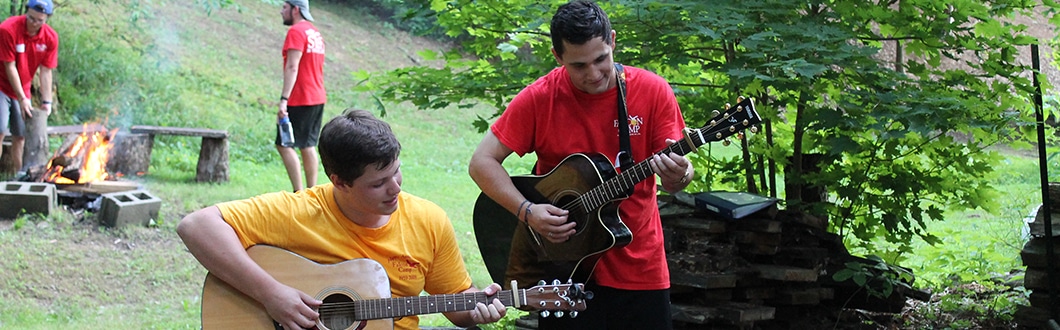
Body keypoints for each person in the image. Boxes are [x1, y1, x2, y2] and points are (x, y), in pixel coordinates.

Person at [467, 1, 692, 329]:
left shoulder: (652, 92)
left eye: (601, 59)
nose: (594, 74)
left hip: (638, 268)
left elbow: (676, 180)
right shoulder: (541, 98)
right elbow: (481, 163)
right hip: (562, 271)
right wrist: (528, 211)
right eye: (579, 65)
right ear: (558, 58)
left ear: (613, 41)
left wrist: (681, 173)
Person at [178, 109, 507, 330]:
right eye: (378, 183)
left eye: (396, 172)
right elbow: (195, 226)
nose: (395, 188)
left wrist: (481, 307)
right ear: (339, 181)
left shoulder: (428, 220)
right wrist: (272, 294)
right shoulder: (299, 211)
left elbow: (458, 307)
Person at [0, 0, 57, 173]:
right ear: (26, 12)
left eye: (39, 20)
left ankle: (21, 176)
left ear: (46, 18)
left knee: (21, 135)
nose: (34, 24)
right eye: (31, 18)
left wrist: (47, 101)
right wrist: (22, 98)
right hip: (1, 84)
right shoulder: (8, 29)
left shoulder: (50, 38)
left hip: (23, 86)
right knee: (0, 130)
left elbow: (46, 72)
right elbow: (10, 67)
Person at [276, 0, 326, 192]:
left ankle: (299, 193)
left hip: (300, 97)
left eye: (284, 7)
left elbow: (292, 65)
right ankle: (311, 192)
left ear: (295, 9)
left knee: (284, 143)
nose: (281, 11)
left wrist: (284, 100)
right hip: (317, 96)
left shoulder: (296, 32)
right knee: (307, 145)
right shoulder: (315, 32)